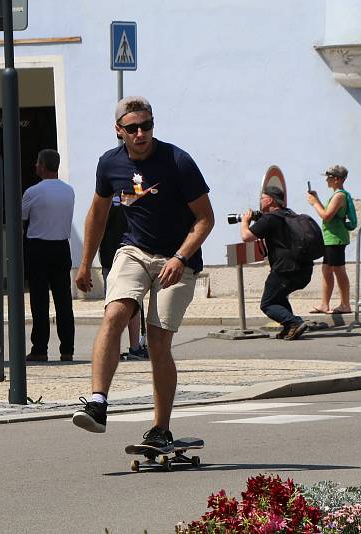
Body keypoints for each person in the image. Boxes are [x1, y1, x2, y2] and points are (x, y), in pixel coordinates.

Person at [72, 96, 214, 453]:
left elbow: (205, 219)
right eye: (132, 128)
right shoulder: (110, 164)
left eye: (147, 125)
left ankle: (160, 429)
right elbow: (98, 214)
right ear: (119, 131)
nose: (141, 133)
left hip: (178, 257)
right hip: (134, 250)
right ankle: (98, 403)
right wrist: (86, 262)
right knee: (115, 313)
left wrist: (181, 257)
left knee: (156, 341)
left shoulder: (177, 161)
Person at [22, 149, 76, 362]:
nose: (35, 166)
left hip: (39, 248)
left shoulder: (33, 192)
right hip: (62, 247)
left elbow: (22, 218)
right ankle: (67, 349)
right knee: (64, 301)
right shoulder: (69, 191)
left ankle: (40, 348)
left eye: (37, 162)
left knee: (39, 301)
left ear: (43, 165)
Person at [239, 185, 312, 341]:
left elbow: (246, 236)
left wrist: (245, 221)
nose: (260, 201)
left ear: (270, 200)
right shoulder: (290, 214)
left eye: (262, 198)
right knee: (279, 297)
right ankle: (289, 328)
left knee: (268, 303)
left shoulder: (270, 218)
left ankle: (294, 322)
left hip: (284, 269)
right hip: (304, 269)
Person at [99, 194, 147, 361]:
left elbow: (98, 223)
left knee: (114, 303)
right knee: (132, 302)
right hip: (129, 253)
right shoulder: (134, 192)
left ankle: (114, 347)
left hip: (117, 253)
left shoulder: (106, 196)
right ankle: (132, 347)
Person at [306, 165, 352, 314]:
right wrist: (317, 199)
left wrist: (314, 203)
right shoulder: (336, 195)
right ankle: (324, 304)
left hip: (336, 238)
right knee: (326, 269)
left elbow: (326, 215)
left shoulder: (339, 195)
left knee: (339, 270)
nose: (327, 180)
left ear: (337, 179)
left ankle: (345, 304)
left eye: (329, 177)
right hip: (330, 238)